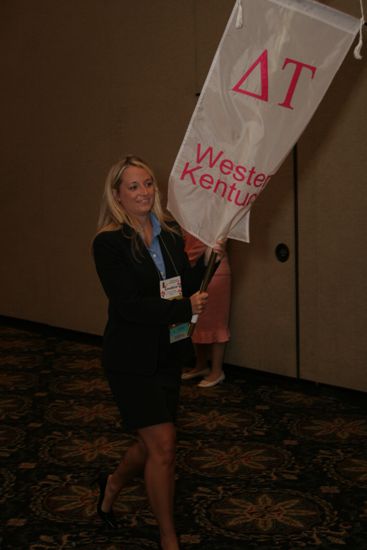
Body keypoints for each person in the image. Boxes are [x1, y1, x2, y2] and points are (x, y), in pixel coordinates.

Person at [92, 154, 224, 550]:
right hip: (130, 359)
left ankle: (113, 482)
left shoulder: (167, 232)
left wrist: (209, 260)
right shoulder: (108, 243)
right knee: (164, 444)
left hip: (167, 354)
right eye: (133, 186)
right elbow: (129, 304)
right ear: (117, 194)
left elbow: (183, 284)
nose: (144, 192)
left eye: (148, 183)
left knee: (149, 443)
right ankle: (169, 539)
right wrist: (186, 307)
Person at [182, 233, 231, 388]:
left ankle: (217, 371)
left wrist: (180, 262)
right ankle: (201, 365)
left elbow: (201, 245)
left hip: (214, 271)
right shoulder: (187, 215)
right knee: (197, 321)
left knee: (216, 324)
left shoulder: (214, 215)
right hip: (192, 272)